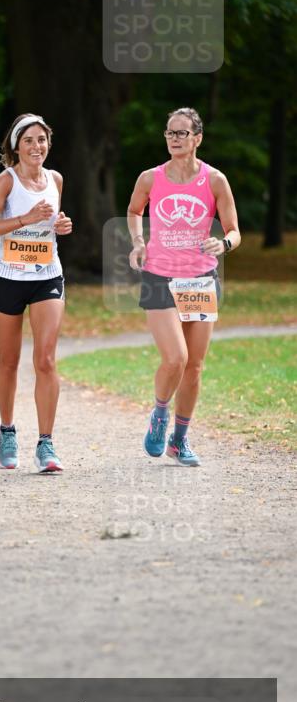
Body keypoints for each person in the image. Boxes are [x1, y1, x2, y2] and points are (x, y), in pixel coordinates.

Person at [127, 106, 241, 466]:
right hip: (160, 275)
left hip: (200, 278)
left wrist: (222, 244)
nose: (174, 139)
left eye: (181, 133)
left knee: (194, 366)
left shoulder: (215, 180)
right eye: (169, 133)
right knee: (175, 358)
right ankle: (160, 413)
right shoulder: (150, 178)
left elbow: (235, 232)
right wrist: (138, 242)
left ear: (197, 138)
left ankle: (179, 439)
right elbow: (133, 211)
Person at [0, 113, 73, 473]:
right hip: (8, 278)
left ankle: (46, 444)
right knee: (9, 361)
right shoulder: (6, 181)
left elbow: (53, 222)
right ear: (16, 146)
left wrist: (60, 225)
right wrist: (24, 219)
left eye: (42, 140)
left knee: (45, 360)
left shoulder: (55, 179)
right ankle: (7, 430)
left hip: (47, 274)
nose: (37, 147)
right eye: (29, 140)